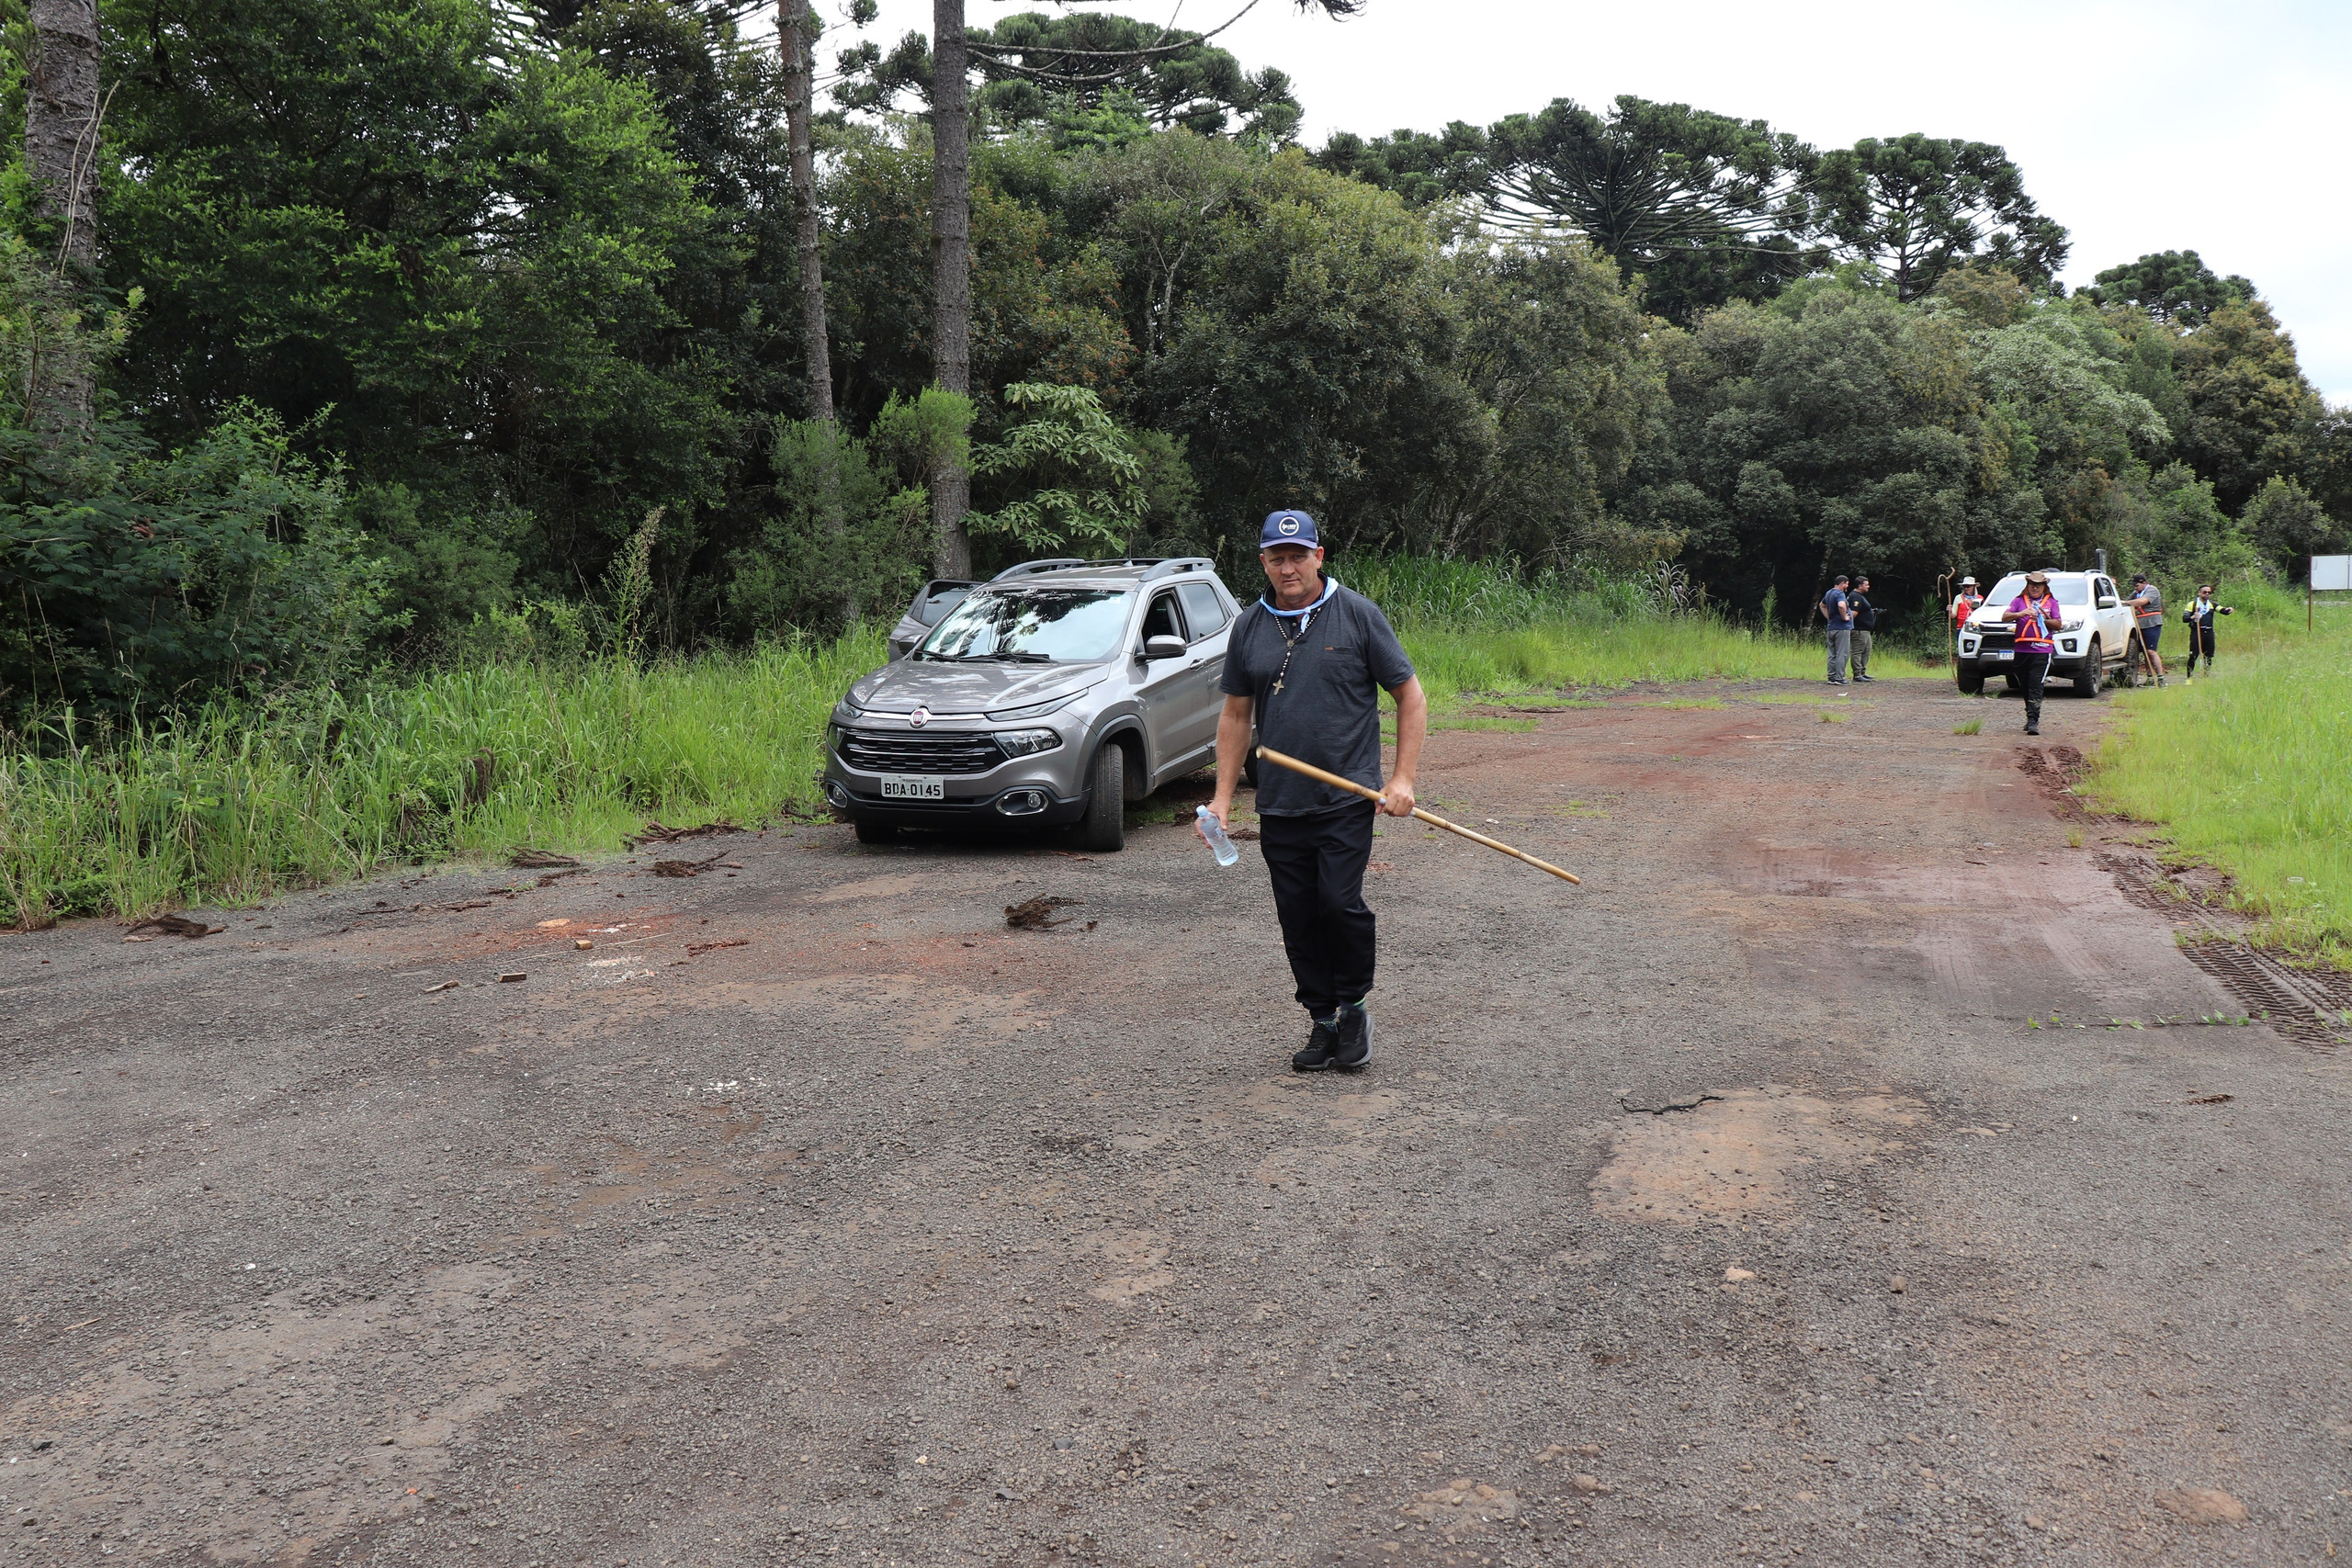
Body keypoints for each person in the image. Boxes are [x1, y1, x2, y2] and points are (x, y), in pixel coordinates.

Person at [1204, 510, 1427, 1073]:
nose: (1288, 568)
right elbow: (1234, 716)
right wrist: (1223, 800)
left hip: (1346, 798)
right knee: (1298, 915)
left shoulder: (1357, 616)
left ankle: (1352, 1008)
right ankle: (1322, 1021)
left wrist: (1401, 781)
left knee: (1338, 903)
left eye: (1298, 556)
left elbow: (1411, 696)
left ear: (1318, 556)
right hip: (1279, 803)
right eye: (1276, 559)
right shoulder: (1250, 625)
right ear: (1263, 562)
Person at [2000, 570, 2067, 736]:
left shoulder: (2052, 603)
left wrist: (2042, 619)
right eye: (2032, 585)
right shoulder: (2018, 601)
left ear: (2044, 586)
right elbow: (2005, 617)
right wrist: (2021, 613)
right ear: (2027, 585)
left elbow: (2058, 624)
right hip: (2022, 649)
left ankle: (2033, 721)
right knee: (2024, 684)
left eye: (2038, 585)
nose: (2035, 588)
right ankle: (2029, 713)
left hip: (2042, 649)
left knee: (2036, 684)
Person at [2181, 583, 2232, 680]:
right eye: (2205, 592)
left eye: (2209, 592)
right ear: (2199, 593)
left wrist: (2229, 610)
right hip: (2197, 632)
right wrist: (2192, 617)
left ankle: (2206, 676)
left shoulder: (2212, 604)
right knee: (2193, 655)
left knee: (2208, 656)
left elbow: (2223, 611)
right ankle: (2189, 678)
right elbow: (2184, 618)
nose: (2207, 594)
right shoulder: (2193, 604)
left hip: (2208, 632)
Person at [2126, 572, 2167, 686]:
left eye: (2137, 585)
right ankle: (2150, 678)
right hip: (2140, 625)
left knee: (2151, 651)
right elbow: (2127, 603)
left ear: (2144, 583)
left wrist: (2125, 602)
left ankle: (2161, 678)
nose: (2135, 588)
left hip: (2152, 624)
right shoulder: (2136, 593)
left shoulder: (2152, 591)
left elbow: (2141, 602)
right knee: (2144, 652)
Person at [1821, 574, 1854, 686]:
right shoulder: (1840, 594)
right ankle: (1840, 678)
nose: (1847, 586)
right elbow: (1841, 605)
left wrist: (1829, 618)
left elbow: (1822, 605)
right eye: (1847, 584)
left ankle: (1831, 676)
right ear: (1842, 583)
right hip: (1842, 628)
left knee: (1832, 654)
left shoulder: (1829, 593)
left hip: (1831, 627)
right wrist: (1844, 616)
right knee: (1842, 653)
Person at [1849, 575, 1878, 682]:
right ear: (1860, 586)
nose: (1868, 586)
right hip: (1859, 630)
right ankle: (1857, 674)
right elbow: (1853, 613)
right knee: (1857, 651)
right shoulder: (1856, 597)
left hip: (1865, 630)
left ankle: (1862, 672)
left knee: (1866, 651)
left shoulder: (1860, 596)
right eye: (1866, 585)